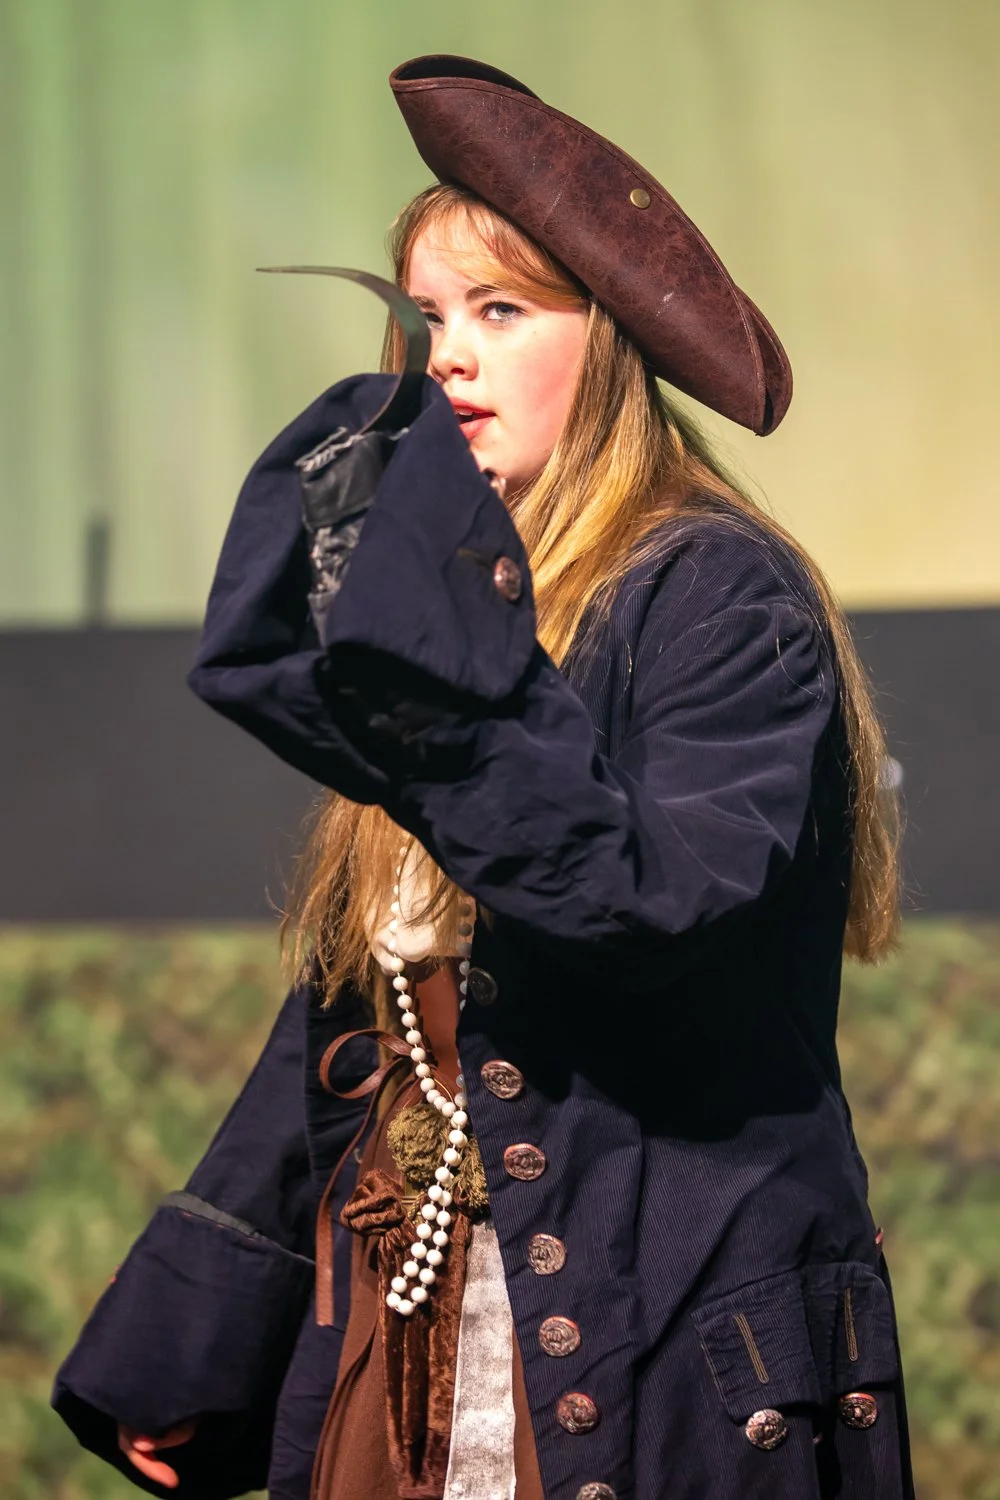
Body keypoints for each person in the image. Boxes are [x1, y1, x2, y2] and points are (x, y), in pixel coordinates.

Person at [53, 54, 914, 1500]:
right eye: (427, 317)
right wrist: (193, 1340)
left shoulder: (716, 592)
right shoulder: (471, 619)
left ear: (615, 342)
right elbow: (356, 1028)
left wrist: (448, 704)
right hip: (413, 1329)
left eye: (500, 312)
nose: (444, 355)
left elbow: (655, 905)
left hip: (659, 1332)